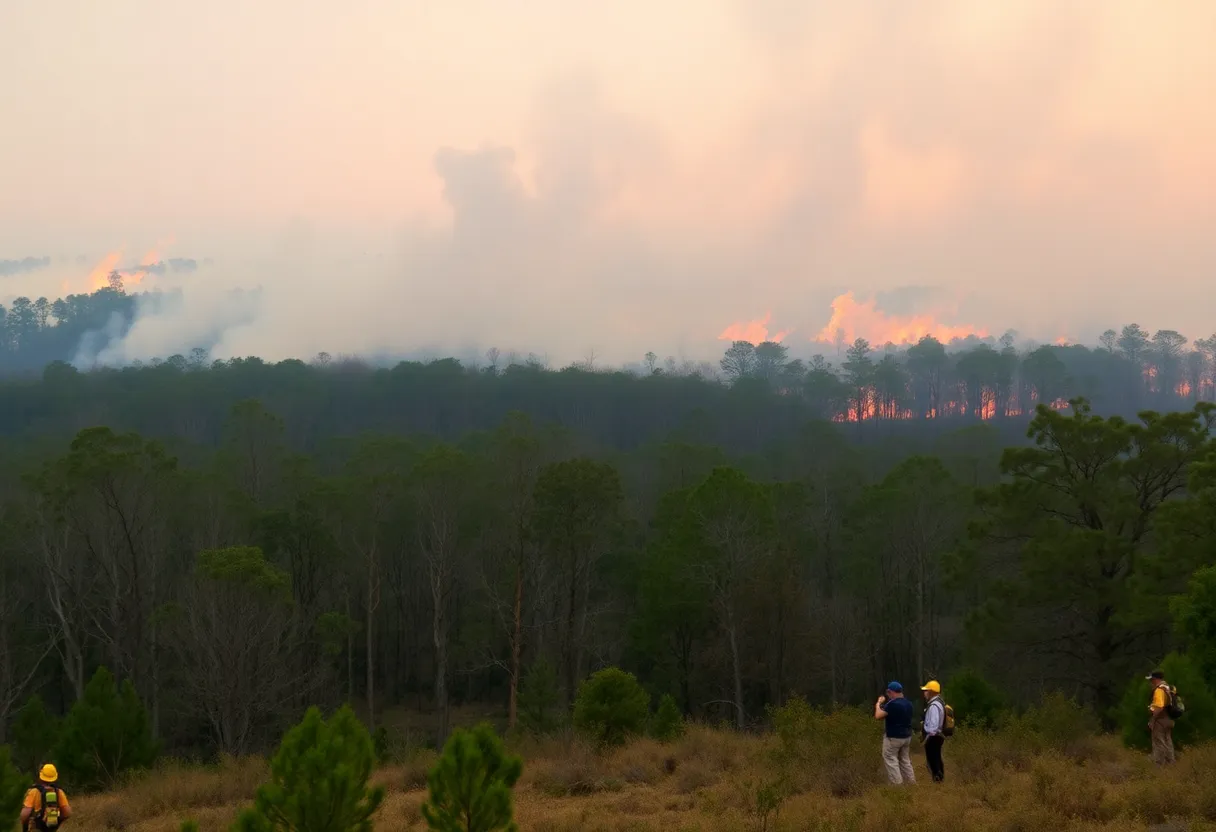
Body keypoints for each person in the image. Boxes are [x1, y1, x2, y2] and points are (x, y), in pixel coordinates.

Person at [874, 681, 916, 785]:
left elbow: (878, 716)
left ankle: (897, 785)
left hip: (893, 737)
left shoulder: (892, 704)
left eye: (888, 693)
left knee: (890, 759)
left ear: (891, 692)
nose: (888, 695)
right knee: (905, 760)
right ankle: (911, 783)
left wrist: (878, 704)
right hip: (906, 736)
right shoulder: (909, 704)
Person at [20, 764, 72, 831]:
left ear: (41, 776)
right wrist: (56, 819)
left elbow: (25, 815)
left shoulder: (34, 791)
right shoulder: (58, 791)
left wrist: (25, 824)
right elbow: (67, 813)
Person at [1147, 670, 1176, 766]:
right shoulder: (1168, 688)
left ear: (1155, 679)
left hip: (1160, 719)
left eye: (1151, 680)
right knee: (1168, 742)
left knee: (1159, 743)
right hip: (1169, 719)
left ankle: (1160, 766)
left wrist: (1152, 720)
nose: (1150, 682)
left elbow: (1159, 707)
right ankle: (1171, 764)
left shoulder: (1159, 690)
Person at [920, 680, 946, 782]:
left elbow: (934, 724)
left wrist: (928, 734)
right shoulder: (939, 703)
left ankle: (938, 780)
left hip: (933, 736)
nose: (924, 693)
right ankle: (939, 780)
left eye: (926, 690)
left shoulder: (934, 705)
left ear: (932, 692)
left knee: (933, 760)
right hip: (937, 736)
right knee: (937, 758)